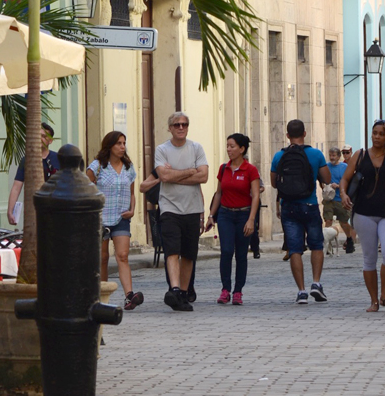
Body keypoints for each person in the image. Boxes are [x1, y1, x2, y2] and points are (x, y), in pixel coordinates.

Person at [340, 119, 385, 311]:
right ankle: (374, 300)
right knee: (369, 257)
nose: (377, 136)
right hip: (364, 212)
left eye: (381, 134)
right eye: (375, 133)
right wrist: (343, 194)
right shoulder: (360, 155)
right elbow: (345, 179)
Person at [270, 119, 331, 304]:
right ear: (305, 134)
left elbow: (274, 183)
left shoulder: (279, 156)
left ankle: (301, 291)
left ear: (287, 135)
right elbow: (327, 178)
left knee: (295, 249)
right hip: (310, 205)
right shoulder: (315, 154)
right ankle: (316, 283)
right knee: (316, 245)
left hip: (288, 206)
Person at [154, 111, 209, 311]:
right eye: (176, 124)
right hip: (169, 207)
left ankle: (184, 293)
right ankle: (175, 289)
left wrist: (175, 174)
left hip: (192, 208)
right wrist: (189, 171)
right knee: (172, 250)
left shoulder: (196, 148)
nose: (180, 128)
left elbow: (203, 177)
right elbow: (164, 176)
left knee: (188, 253)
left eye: (184, 124)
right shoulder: (162, 150)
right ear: (170, 128)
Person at [88, 131, 142, 312]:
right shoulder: (97, 166)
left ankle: (129, 295)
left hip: (121, 217)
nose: (122, 147)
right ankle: (101, 296)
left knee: (123, 256)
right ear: (109, 146)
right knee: (102, 258)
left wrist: (132, 209)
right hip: (101, 218)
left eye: (124, 143)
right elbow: (85, 189)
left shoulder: (129, 167)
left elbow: (132, 192)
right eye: (118, 143)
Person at [205, 133, 261, 304]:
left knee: (241, 254)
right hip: (225, 215)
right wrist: (211, 216)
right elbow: (219, 194)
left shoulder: (250, 170)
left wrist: (251, 219)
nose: (228, 149)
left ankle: (238, 291)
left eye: (232, 146)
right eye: (227, 146)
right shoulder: (223, 168)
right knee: (227, 251)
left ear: (242, 149)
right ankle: (225, 289)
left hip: (244, 214)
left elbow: (256, 196)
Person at [6, 122, 60, 227]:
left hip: (55, 209)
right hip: (33, 210)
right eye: (38, 135)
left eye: (44, 136)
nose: (40, 139)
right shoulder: (26, 160)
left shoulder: (58, 159)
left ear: (50, 141)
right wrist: (10, 211)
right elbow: (16, 187)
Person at [322, 145, 356, 253]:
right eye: (330, 155)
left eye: (334, 155)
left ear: (338, 156)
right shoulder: (326, 167)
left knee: (343, 222)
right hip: (329, 199)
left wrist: (338, 186)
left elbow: (349, 181)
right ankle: (328, 244)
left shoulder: (344, 167)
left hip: (340, 198)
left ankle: (349, 239)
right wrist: (324, 186)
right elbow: (321, 180)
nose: (332, 157)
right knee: (328, 220)